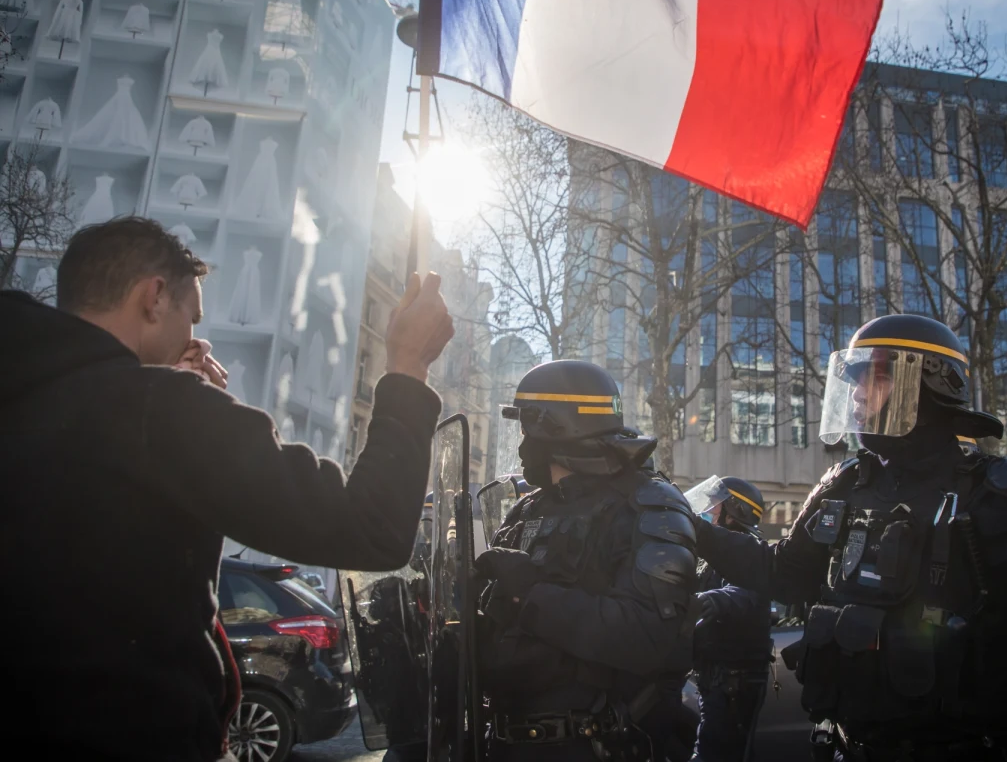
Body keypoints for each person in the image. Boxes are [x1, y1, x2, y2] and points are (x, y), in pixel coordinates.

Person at [0, 216, 454, 761]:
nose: (198, 339)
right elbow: (371, 528)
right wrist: (407, 369)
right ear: (154, 297)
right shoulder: (160, 410)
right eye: (192, 319)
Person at [690, 314, 1007, 762]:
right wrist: (696, 533)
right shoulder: (844, 484)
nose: (860, 394)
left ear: (927, 383)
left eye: (876, 376)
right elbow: (782, 570)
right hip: (846, 746)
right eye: (856, 380)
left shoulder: (1006, 490)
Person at [474, 360, 697, 761]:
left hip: (597, 746)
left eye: (527, 425)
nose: (522, 440)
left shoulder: (649, 502)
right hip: (503, 744)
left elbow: (645, 636)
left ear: (558, 425)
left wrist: (531, 594)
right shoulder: (525, 510)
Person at [686, 476, 772, 762]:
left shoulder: (748, 549)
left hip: (735, 681)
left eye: (715, 505)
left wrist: (714, 600)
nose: (707, 510)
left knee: (716, 753)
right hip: (713, 676)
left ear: (735, 511)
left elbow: (747, 592)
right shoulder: (714, 551)